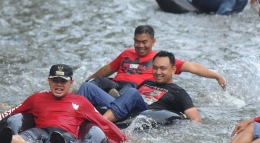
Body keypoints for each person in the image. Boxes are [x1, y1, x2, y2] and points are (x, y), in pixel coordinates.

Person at [0, 64, 127, 143]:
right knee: (23, 138)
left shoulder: (80, 102)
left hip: (65, 134)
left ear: (71, 83)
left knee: (61, 141)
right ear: (49, 81)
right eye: (55, 81)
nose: (59, 85)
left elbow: (103, 122)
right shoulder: (37, 98)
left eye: (63, 81)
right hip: (41, 131)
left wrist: (124, 140)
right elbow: (11, 112)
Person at [86, 25, 226, 96]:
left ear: (153, 41)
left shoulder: (161, 59)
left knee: (130, 89)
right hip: (115, 85)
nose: (140, 46)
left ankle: (116, 100)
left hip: (135, 89)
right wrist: (89, 79)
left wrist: (216, 76)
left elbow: (192, 67)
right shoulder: (126, 53)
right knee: (97, 82)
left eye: (144, 42)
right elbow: (107, 69)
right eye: (137, 42)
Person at [78, 51, 202, 123]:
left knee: (131, 92)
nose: (158, 72)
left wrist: (178, 122)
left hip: (142, 112)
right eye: (155, 68)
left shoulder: (178, 92)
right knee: (87, 86)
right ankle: (69, 114)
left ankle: (101, 123)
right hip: (123, 106)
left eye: (163, 68)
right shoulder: (147, 82)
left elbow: (196, 121)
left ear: (173, 69)